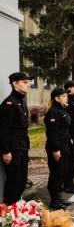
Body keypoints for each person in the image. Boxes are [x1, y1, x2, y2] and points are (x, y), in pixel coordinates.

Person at [0, 72, 34, 205]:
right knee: (14, 181)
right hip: (13, 148)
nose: (28, 85)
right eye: (24, 82)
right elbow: (4, 129)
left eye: (28, 82)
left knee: (22, 180)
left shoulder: (21, 101)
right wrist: (6, 151)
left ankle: (17, 209)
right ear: (15, 84)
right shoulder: (9, 103)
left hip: (22, 146)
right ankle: (8, 210)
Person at [44, 87, 72, 210]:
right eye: (64, 96)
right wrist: (55, 149)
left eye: (66, 96)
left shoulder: (62, 110)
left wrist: (69, 137)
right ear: (56, 98)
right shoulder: (53, 112)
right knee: (57, 173)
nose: (66, 98)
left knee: (63, 172)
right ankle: (54, 199)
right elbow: (52, 132)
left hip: (64, 145)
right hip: (57, 147)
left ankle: (59, 196)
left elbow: (64, 127)